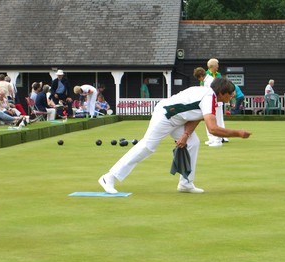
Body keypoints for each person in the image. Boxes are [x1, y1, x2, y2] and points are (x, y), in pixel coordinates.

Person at [98, 77, 251, 194]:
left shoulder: (210, 97)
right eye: (230, 95)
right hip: (164, 116)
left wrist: (185, 134)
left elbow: (195, 117)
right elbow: (212, 129)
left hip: (177, 120)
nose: (231, 97)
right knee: (147, 146)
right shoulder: (208, 97)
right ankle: (109, 177)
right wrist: (238, 133)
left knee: (193, 142)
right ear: (221, 93)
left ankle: (185, 183)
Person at [204, 58, 227, 146]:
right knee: (209, 119)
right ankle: (211, 138)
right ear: (212, 66)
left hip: (218, 100)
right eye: (216, 65)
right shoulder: (206, 75)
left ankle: (220, 138)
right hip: (209, 101)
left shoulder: (218, 74)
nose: (218, 67)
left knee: (219, 120)